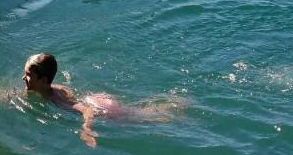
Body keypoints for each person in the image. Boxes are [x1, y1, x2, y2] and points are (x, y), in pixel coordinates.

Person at [22, 53, 180, 148]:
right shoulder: (49, 88)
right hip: (94, 100)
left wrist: (86, 129)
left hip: (101, 109)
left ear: (43, 80)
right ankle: (172, 106)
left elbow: (87, 110)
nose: (24, 78)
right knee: (138, 113)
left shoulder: (56, 99)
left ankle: (176, 109)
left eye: (29, 75)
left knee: (146, 119)